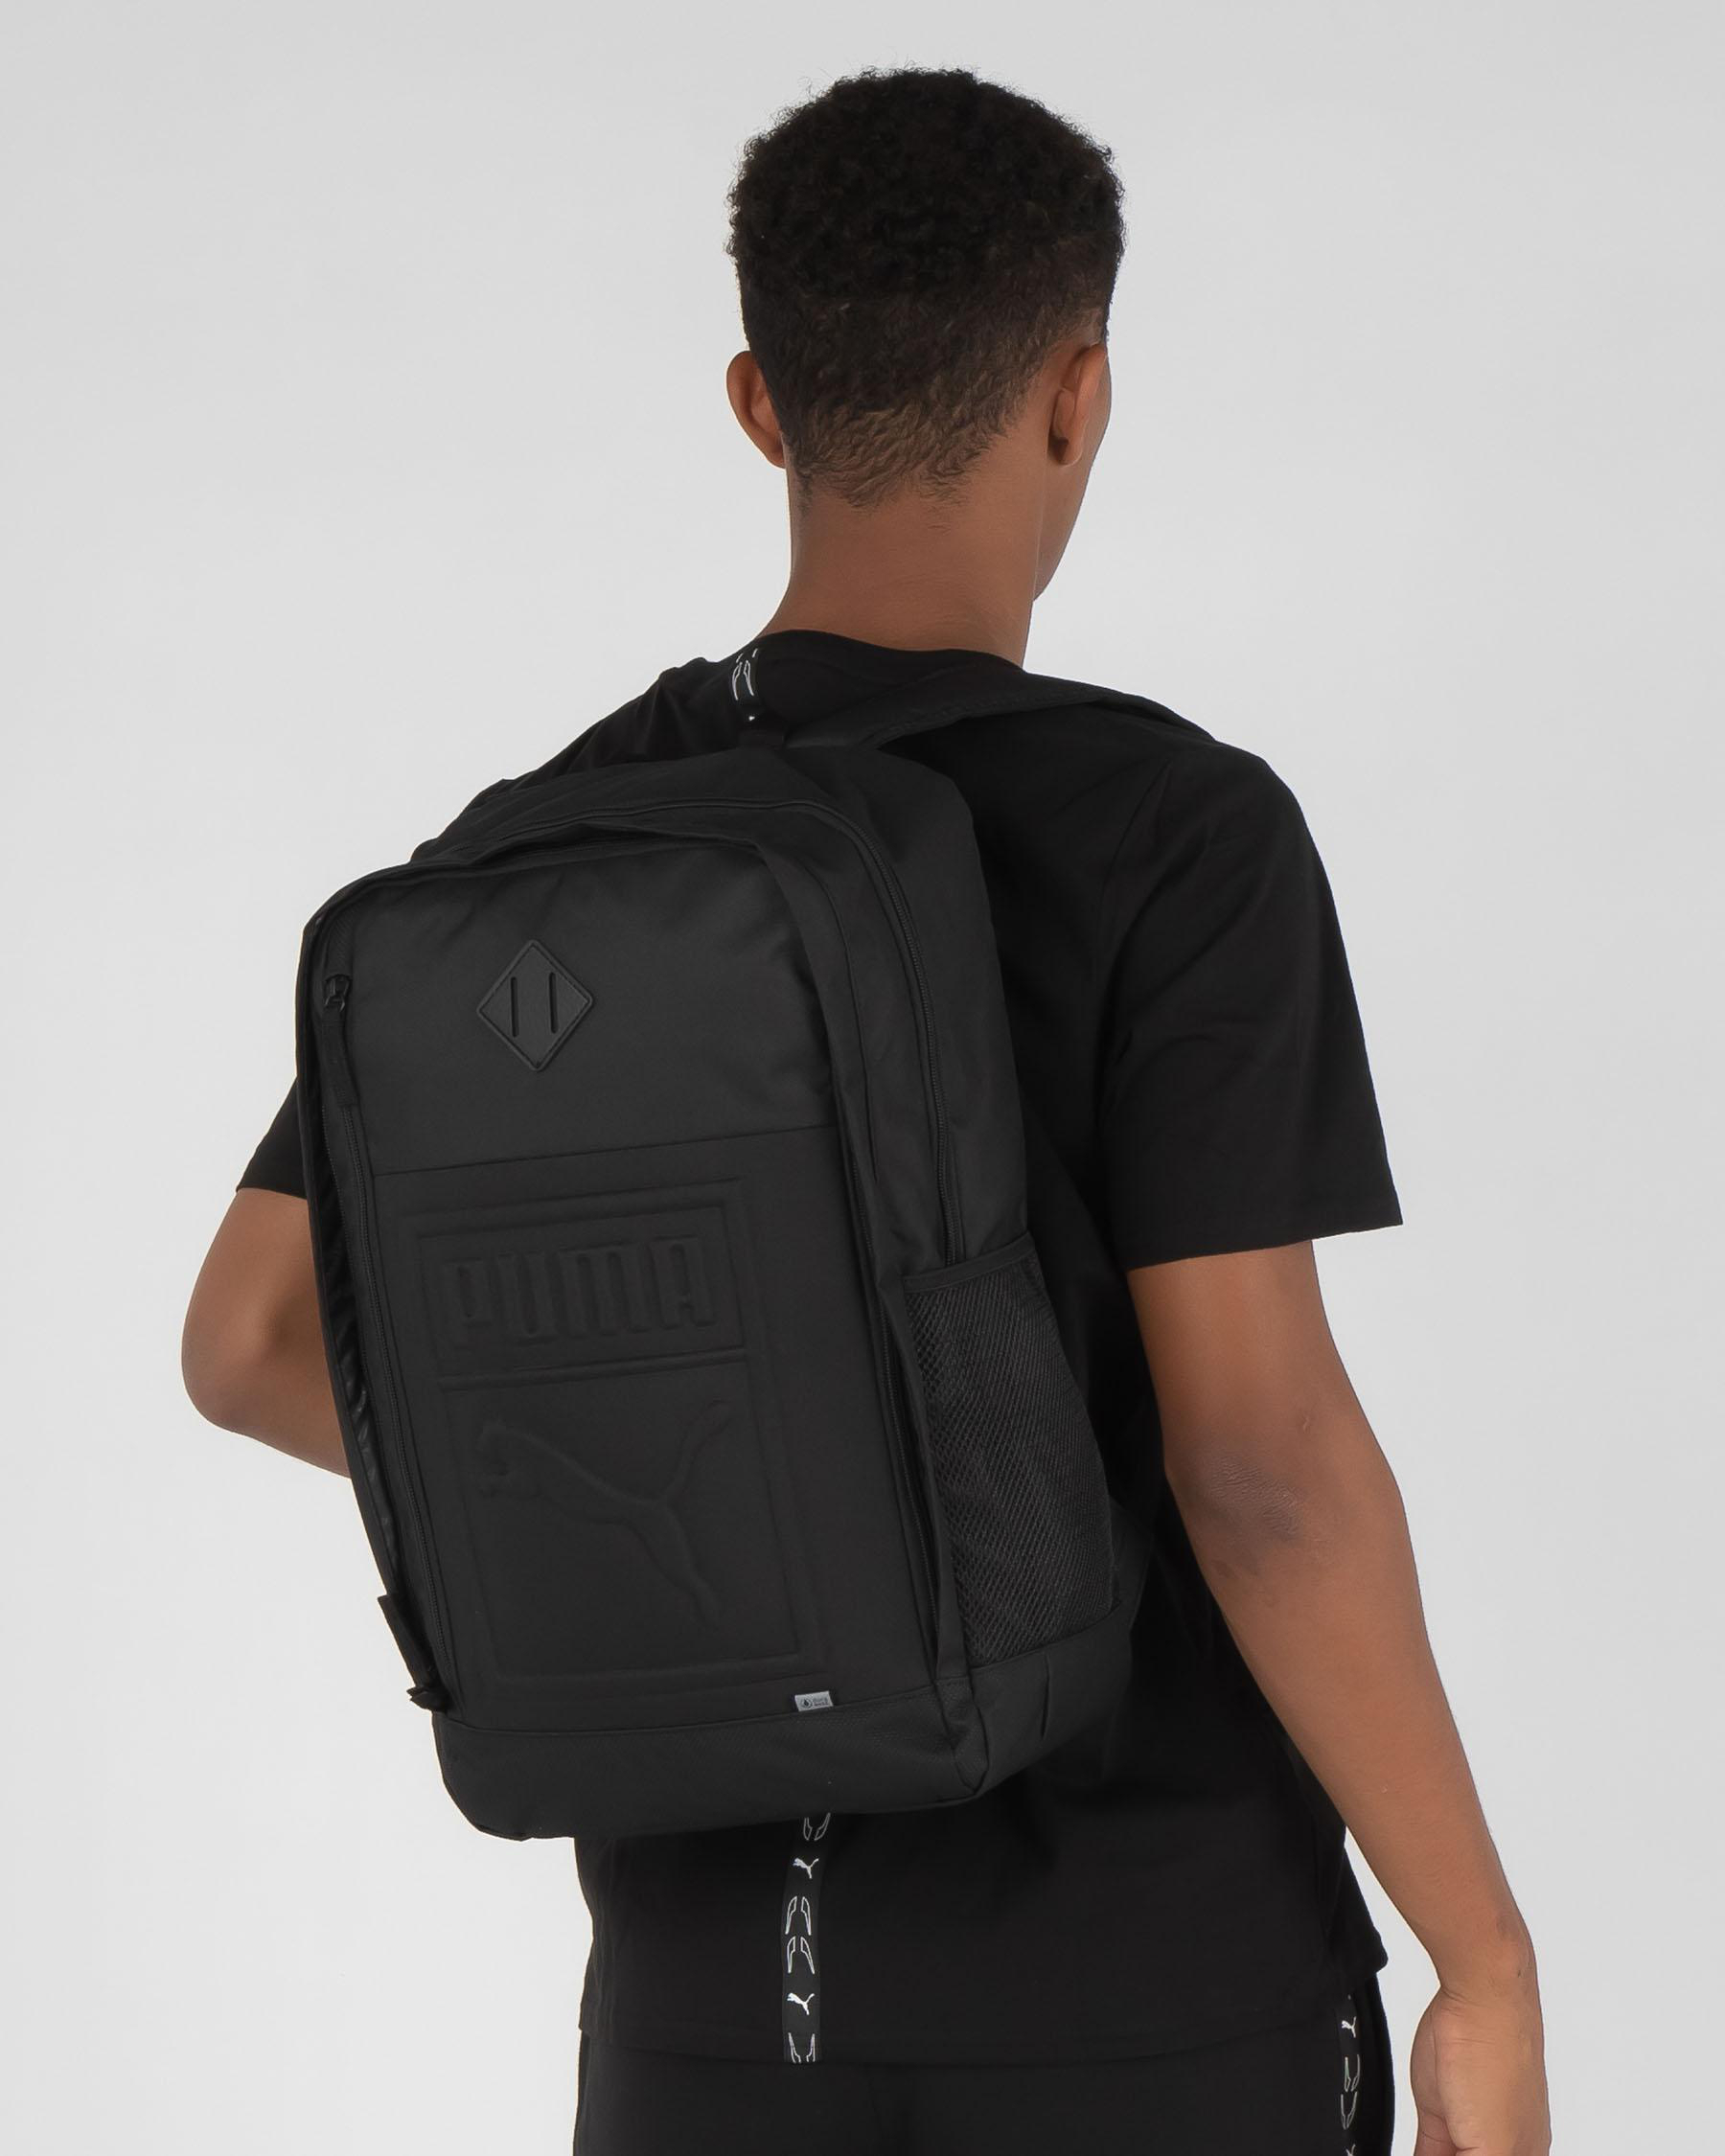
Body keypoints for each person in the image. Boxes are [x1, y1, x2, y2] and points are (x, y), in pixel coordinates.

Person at [183, 65, 1551, 2156]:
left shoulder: (544, 848)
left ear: (761, 403)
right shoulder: (1176, 835)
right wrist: (1485, 1958)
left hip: (706, 2026)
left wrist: (711, 1491)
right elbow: (1263, 1470)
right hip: (1155, 2003)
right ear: (1080, 393)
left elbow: (252, 1342)